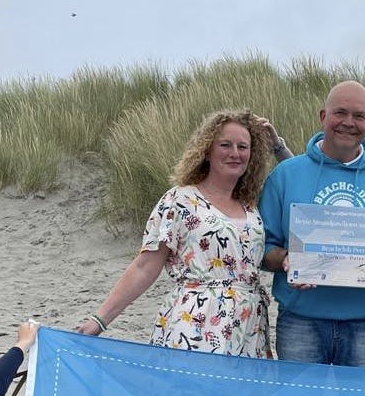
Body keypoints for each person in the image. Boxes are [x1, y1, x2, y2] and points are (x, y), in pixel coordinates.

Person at [75, 109, 280, 357]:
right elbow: (145, 266)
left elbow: (300, 189)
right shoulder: (180, 200)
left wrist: (278, 147)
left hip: (249, 326)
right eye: (225, 145)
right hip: (196, 322)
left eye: (243, 146)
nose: (235, 153)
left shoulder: (251, 205)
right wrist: (100, 320)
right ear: (207, 150)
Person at [259, 80, 365, 368]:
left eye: (358, 116)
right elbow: (262, 247)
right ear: (323, 116)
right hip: (300, 321)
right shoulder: (285, 175)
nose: (348, 123)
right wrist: (286, 259)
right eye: (340, 113)